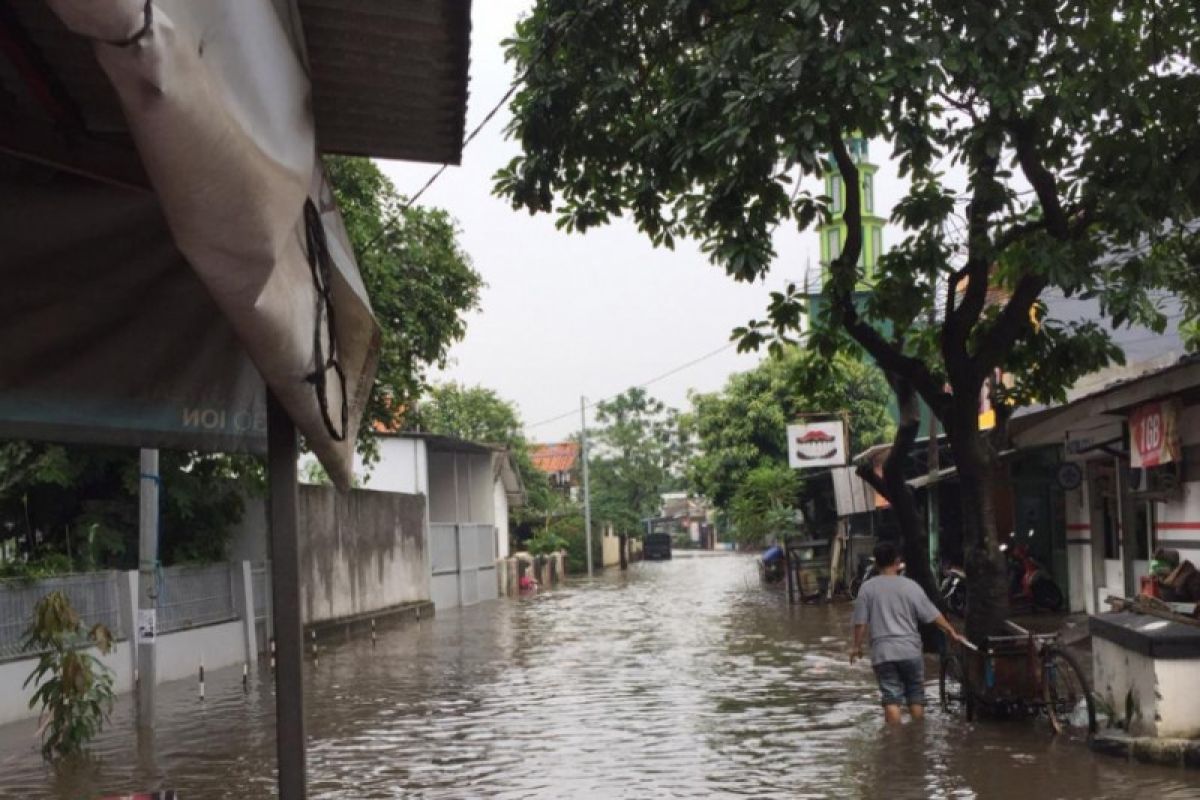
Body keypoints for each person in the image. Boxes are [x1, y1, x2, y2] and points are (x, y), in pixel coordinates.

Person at [850, 540, 967, 723]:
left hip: (883, 653)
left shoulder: (867, 588)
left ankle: (895, 744)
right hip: (910, 651)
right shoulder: (910, 586)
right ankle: (917, 739)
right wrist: (951, 631)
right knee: (915, 696)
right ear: (897, 562)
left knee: (891, 698)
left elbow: (860, 622)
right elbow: (932, 614)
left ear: (876, 563)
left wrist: (856, 647)